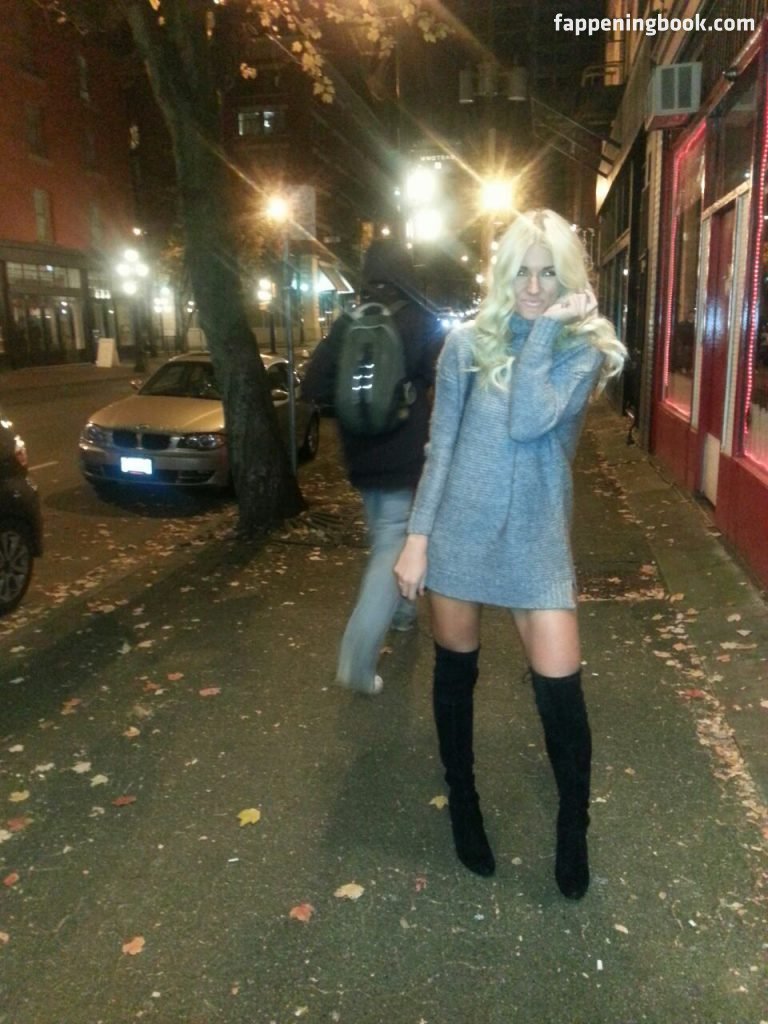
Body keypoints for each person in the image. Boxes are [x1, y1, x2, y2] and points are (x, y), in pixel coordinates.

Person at [394, 209, 626, 899]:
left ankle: (573, 827)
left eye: (548, 272)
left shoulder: (579, 350)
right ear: (502, 275)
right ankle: (463, 803)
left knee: (562, 694)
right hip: (460, 531)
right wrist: (417, 539)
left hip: (535, 536)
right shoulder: (466, 344)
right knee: (454, 677)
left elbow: (528, 419)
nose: (532, 286)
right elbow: (441, 448)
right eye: (521, 272)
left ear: (568, 278)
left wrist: (548, 327)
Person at [303, 239, 441, 695]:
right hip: (405, 456)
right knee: (392, 544)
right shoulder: (420, 321)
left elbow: (312, 384)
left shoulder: (349, 322)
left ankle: (403, 612)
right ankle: (357, 657)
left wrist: (352, 404)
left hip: (361, 456)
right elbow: (444, 380)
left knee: (386, 537)